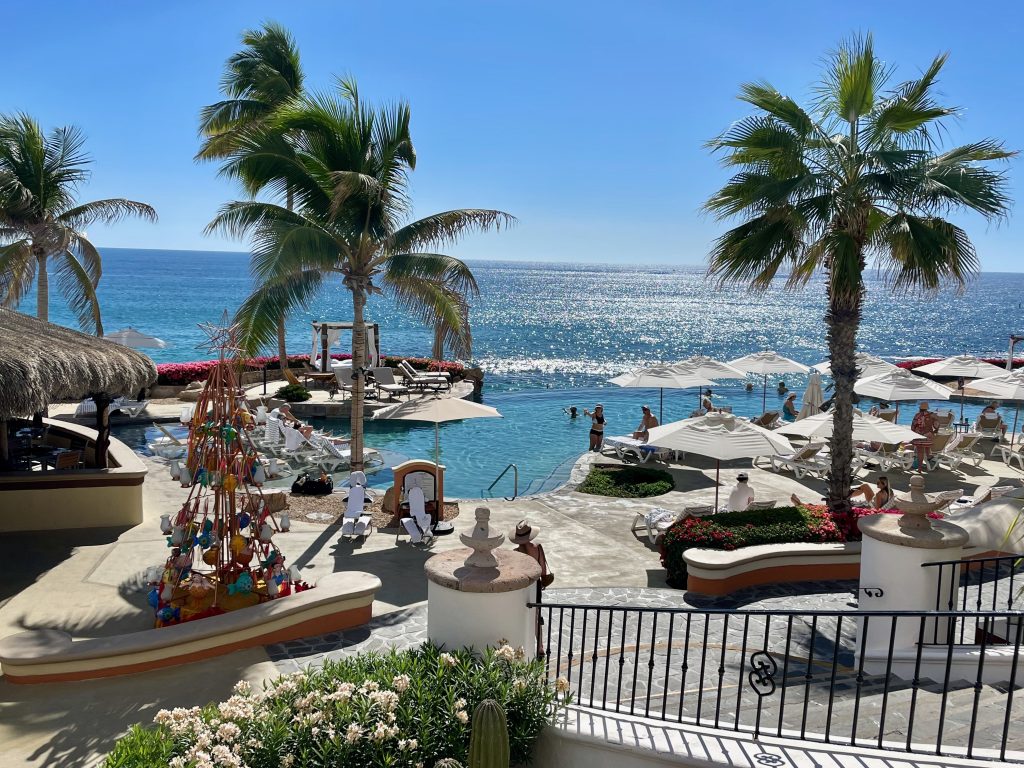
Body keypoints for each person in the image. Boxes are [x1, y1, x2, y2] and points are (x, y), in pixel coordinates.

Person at [511, 520, 553, 588]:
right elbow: (543, 567)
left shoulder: (516, 552)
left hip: (524, 584)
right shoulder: (537, 546)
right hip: (536, 581)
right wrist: (543, 582)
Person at [910, 402, 938, 470]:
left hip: (919, 436)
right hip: (929, 436)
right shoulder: (932, 415)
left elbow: (913, 426)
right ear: (927, 408)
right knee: (927, 449)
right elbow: (937, 425)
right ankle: (931, 463)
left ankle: (919, 468)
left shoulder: (917, 415)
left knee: (920, 452)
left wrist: (913, 434)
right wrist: (933, 432)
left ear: (920, 408)